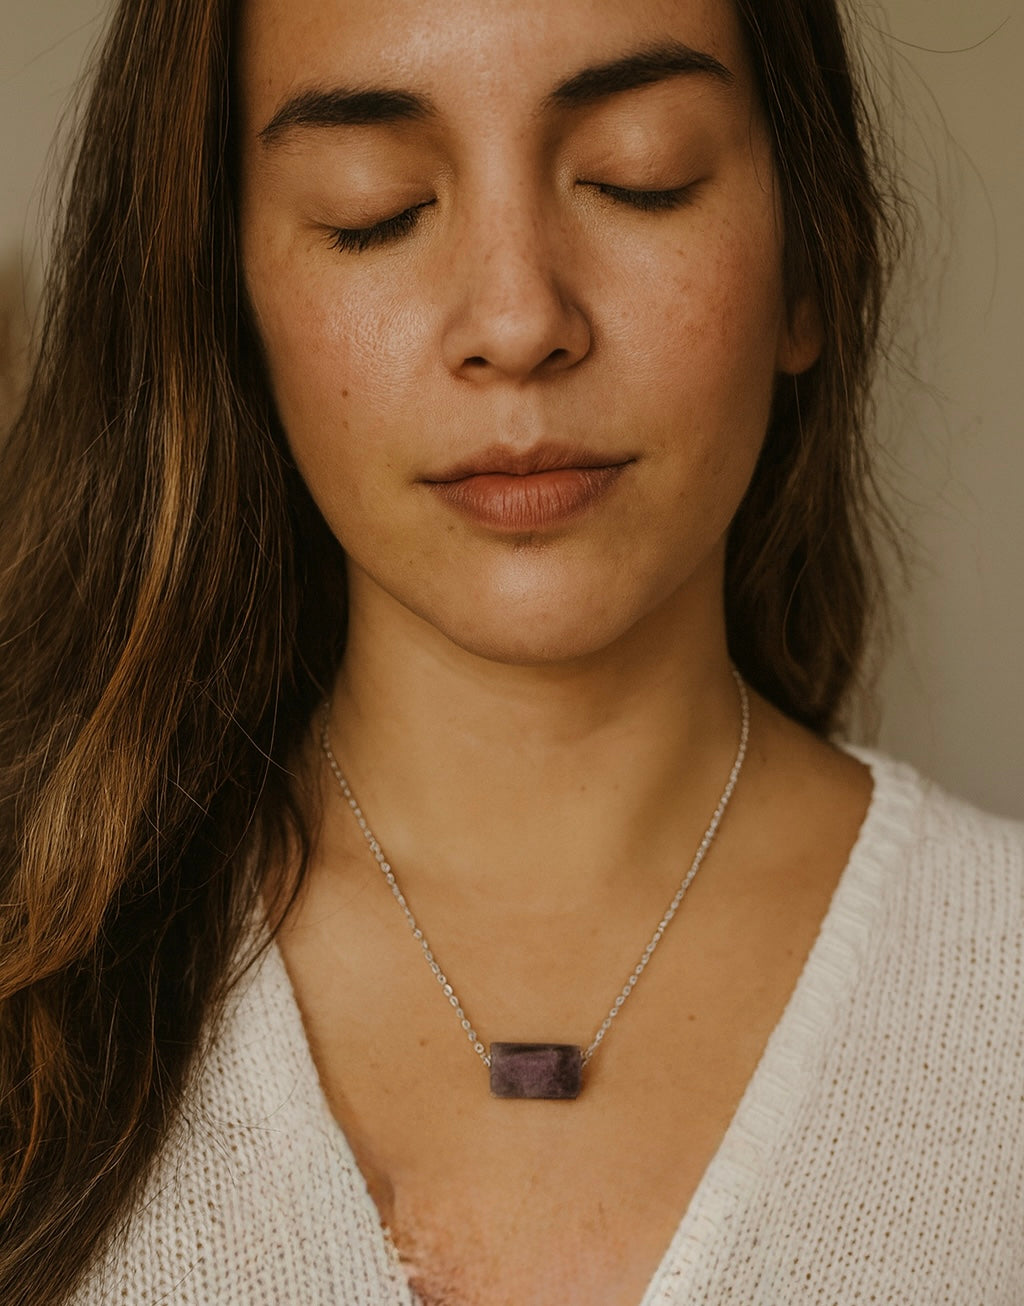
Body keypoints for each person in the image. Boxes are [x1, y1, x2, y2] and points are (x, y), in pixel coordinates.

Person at [0, 0, 1021, 1301]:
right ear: (230, 301)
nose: (519, 319)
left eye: (638, 176)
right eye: (373, 209)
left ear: (808, 260)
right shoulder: (35, 984)